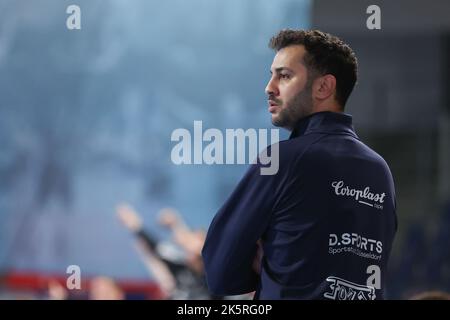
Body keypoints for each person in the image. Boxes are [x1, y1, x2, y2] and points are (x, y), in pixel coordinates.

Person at [202, 29, 397, 300]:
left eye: (284, 75)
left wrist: (269, 267)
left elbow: (220, 272)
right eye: (272, 75)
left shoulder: (282, 160)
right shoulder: (380, 170)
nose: (269, 87)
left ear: (323, 87)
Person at [116, 204, 213, 299]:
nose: (188, 246)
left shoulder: (213, 272)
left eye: (196, 240)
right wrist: (135, 225)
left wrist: (177, 224)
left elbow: (198, 249)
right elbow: (157, 247)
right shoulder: (180, 266)